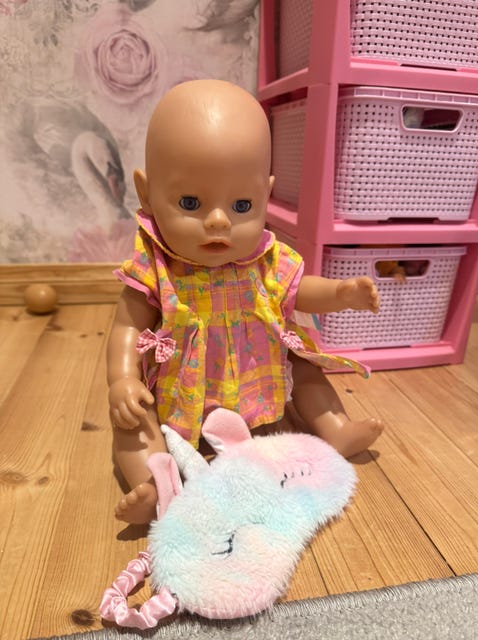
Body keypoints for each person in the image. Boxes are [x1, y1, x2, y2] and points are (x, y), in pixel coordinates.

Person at [107, 79, 383, 524]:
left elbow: (297, 291)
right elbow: (126, 326)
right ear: (147, 193)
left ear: (265, 195)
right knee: (132, 418)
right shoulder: (156, 267)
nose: (219, 221)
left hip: (253, 379)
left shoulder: (266, 260)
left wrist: (341, 294)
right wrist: (123, 380)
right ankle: (153, 483)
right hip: (177, 390)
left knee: (305, 365)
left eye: (241, 205)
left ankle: (335, 428)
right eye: (191, 202)